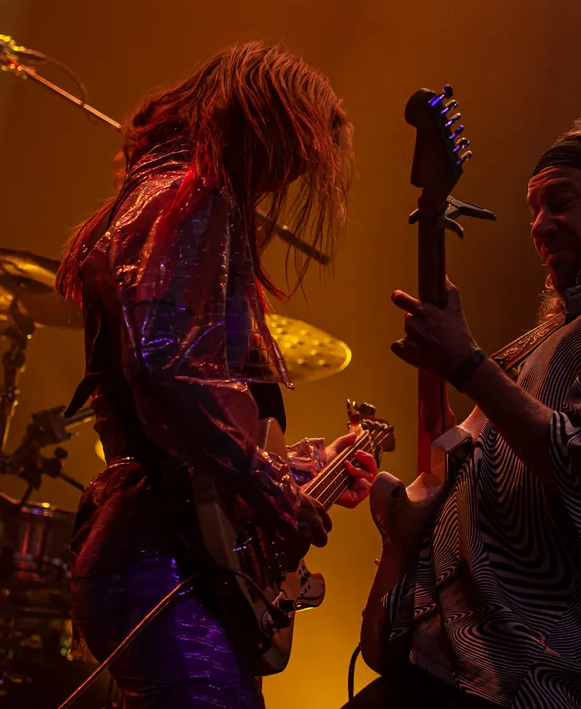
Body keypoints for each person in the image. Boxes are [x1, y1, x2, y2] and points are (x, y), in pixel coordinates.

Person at [56, 41, 377, 709]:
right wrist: (273, 490)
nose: (286, 180)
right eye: (290, 159)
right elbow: (165, 365)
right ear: (264, 128)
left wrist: (303, 468)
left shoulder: (151, 198)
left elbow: (189, 409)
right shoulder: (190, 198)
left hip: (151, 544)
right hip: (166, 553)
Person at [353, 124, 581, 709]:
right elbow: (471, 464)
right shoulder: (547, 338)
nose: (541, 226)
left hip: (522, 680)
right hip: (451, 667)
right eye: (534, 209)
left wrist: (468, 365)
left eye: (562, 202)